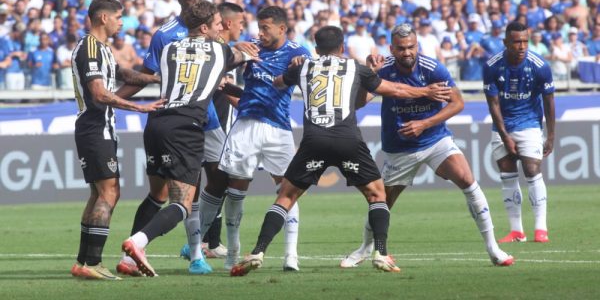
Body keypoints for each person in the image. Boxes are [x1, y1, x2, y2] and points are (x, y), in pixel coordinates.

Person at [229, 25, 451, 276]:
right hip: (347, 140)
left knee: (286, 198)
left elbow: (278, 83)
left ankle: (258, 251)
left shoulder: (303, 67)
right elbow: (395, 89)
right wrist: (426, 91)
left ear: (315, 49)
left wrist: (293, 68)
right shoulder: (356, 68)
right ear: (342, 48)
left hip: (314, 140)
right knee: (377, 195)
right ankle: (380, 253)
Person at [340, 23, 514, 268]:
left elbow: (457, 103)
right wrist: (371, 76)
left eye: (411, 47)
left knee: (467, 180)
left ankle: (493, 248)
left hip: (435, 140)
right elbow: (358, 103)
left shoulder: (433, 68)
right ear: (392, 48)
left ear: (417, 46)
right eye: (401, 48)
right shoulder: (384, 70)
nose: (407, 52)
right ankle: (365, 249)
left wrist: (425, 123)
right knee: (381, 202)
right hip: (399, 148)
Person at [114, 0, 254, 276]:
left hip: (161, 119)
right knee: (180, 200)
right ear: (206, 26)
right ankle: (144, 243)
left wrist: (111, 99)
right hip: (191, 122)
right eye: (219, 25)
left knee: (205, 182)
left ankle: (193, 253)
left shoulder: (169, 48)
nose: (224, 29)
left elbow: (150, 76)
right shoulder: (214, 47)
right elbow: (234, 56)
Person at [70, 0, 165, 280]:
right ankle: (93, 263)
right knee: (110, 192)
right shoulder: (89, 48)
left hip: (100, 128)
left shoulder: (102, 49)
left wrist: (159, 78)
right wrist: (139, 107)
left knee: (99, 193)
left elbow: (124, 74)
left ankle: (83, 262)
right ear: (103, 17)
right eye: (119, 17)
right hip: (94, 127)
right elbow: (99, 93)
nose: (122, 23)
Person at [218, 5, 312, 271]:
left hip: (278, 128)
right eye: (258, 28)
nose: (260, 33)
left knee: (288, 190)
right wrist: (237, 47)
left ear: (282, 28)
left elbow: (309, 76)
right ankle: (233, 249)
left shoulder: (298, 53)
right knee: (236, 191)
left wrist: (301, 67)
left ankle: (290, 255)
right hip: (246, 125)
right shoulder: (252, 48)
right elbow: (221, 62)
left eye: (265, 28)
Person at [179, 2, 247, 262]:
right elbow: (222, 88)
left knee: (217, 183)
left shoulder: (224, 50)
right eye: (240, 22)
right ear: (227, 24)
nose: (243, 27)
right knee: (212, 182)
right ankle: (201, 243)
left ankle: (206, 241)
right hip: (207, 124)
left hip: (217, 124)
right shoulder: (217, 50)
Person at [483, 21, 555, 244]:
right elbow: (493, 103)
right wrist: (504, 135)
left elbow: (549, 101)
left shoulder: (539, 66)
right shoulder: (492, 66)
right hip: (503, 125)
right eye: (516, 41)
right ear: (506, 42)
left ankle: (540, 228)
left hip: (529, 123)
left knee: (532, 169)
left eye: (525, 41)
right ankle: (517, 231)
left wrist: (550, 135)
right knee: (506, 172)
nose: (522, 46)